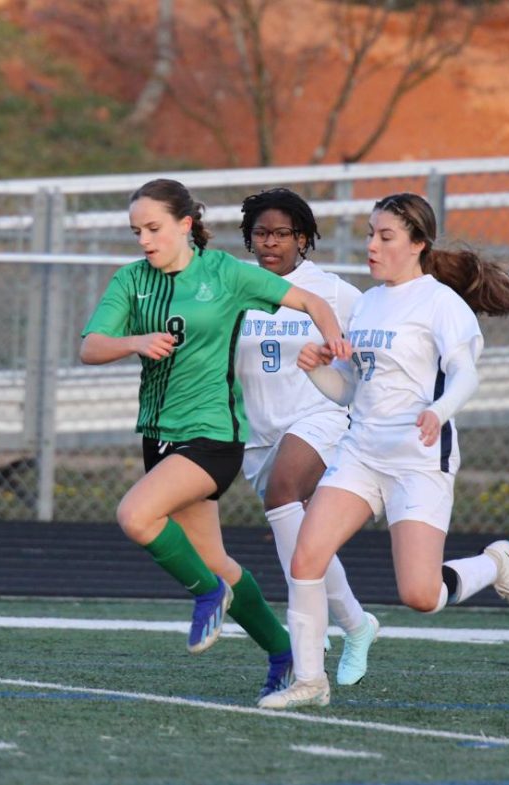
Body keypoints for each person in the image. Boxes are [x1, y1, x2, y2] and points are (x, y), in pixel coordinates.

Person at [257, 192, 509, 710]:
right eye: (370, 233)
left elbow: (465, 374)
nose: (372, 245)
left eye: (385, 236)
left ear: (417, 244)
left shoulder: (441, 304)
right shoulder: (367, 303)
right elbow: (348, 389)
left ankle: (495, 564)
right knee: (306, 557)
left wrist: (439, 411)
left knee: (420, 595)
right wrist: (317, 366)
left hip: (417, 460)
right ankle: (309, 681)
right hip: (361, 453)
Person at [79, 178, 351, 704]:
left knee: (136, 516)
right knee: (216, 557)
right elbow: (92, 347)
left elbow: (313, 302)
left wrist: (332, 338)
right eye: (137, 231)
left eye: (154, 228)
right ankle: (282, 651)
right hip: (159, 436)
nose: (145, 240)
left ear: (185, 224)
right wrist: (134, 341)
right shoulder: (131, 280)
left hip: (213, 436)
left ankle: (208, 595)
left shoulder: (225, 273)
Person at [234, 188, 379, 687]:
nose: (269, 242)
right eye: (260, 233)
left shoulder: (333, 291)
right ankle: (357, 624)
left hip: (319, 416)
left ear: (302, 238)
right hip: (257, 430)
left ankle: (309, 623)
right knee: (305, 536)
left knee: (284, 493)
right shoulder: (237, 285)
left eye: (280, 233)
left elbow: (371, 342)